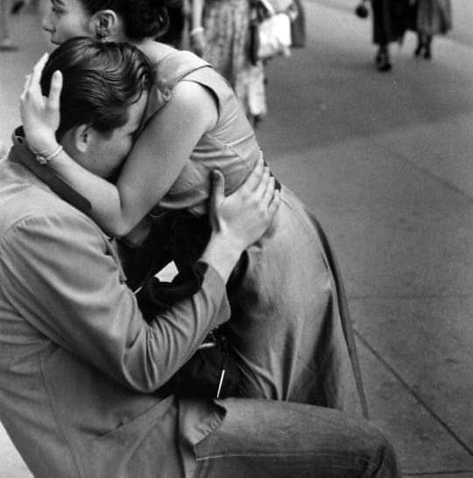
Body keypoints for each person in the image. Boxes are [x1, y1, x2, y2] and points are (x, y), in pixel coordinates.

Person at [1, 39, 400, 477]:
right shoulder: (40, 226)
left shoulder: (23, 181)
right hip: (135, 446)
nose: (138, 149)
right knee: (370, 451)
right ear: (82, 136)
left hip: (119, 415)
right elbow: (145, 361)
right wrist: (227, 246)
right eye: (133, 133)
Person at [22, 0, 366, 415]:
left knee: (273, 409)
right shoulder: (131, 79)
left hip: (263, 255)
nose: (47, 23)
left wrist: (46, 147)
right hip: (220, 247)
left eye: (58, 10)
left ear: (104, 25)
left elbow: (122, 213)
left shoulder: (184, 93)